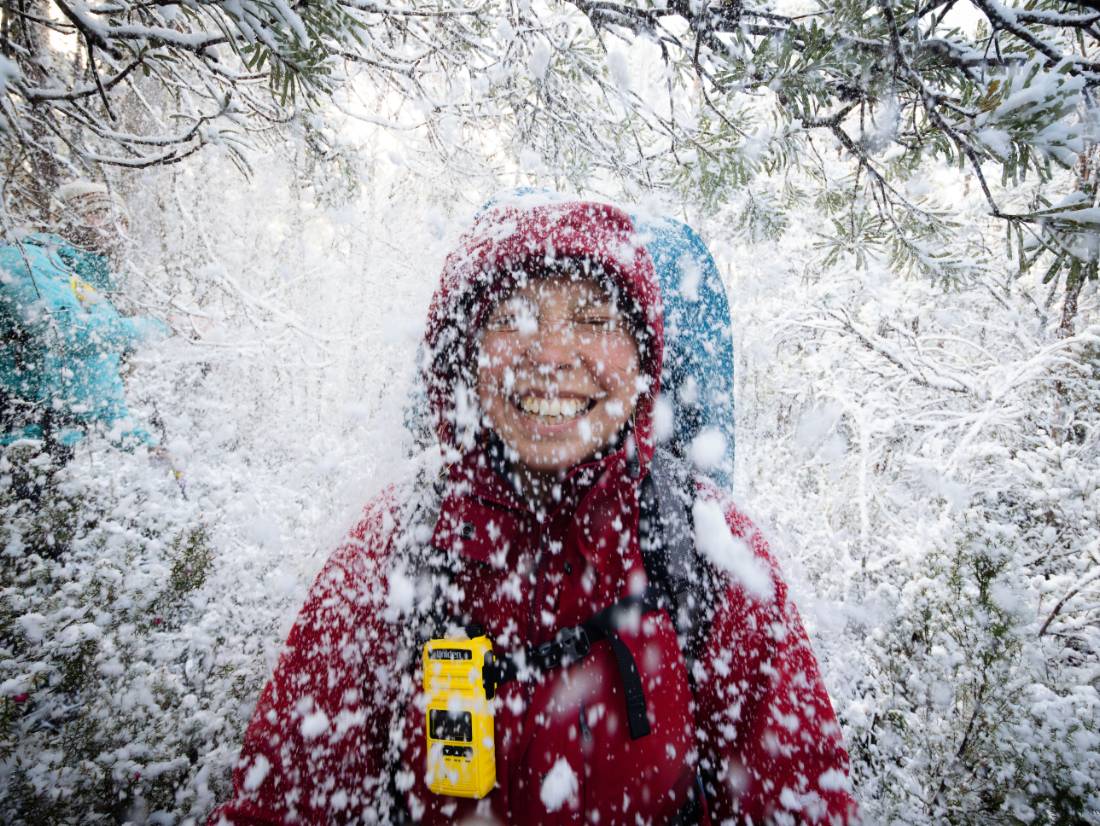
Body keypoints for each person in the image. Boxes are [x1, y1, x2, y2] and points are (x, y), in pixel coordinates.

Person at [211, 199, 858, 824]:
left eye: (594, 319)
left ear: (642, 357)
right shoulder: (397, 546)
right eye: (512, 315)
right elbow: (282, 807)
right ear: (464, 355)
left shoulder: (708, 553)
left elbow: (799, 805)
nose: (549, 355)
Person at [0, 181, 169, 458]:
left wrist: (146, 445)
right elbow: (63, 333)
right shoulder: (27, 260)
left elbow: (104, 397)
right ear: (70, 220)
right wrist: (152, 327)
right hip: (12, 436)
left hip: (52, 450)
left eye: (119, 218)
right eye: (99, 212)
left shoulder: (91, 292)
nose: (113, 225)